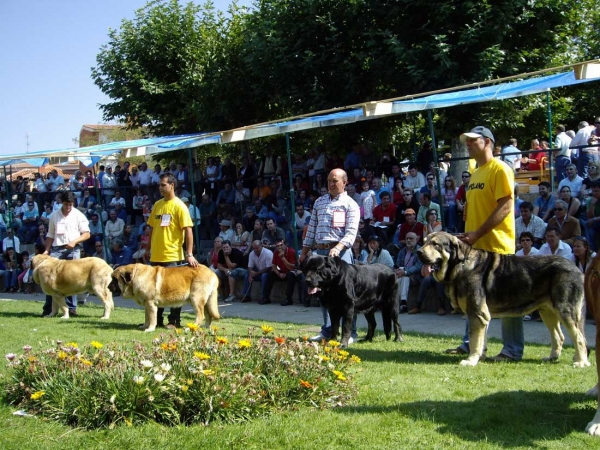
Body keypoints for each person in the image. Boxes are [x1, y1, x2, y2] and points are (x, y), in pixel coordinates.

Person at [445, 126, 516, 364]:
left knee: (508, 297)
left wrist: (477, 233)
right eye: (466, 141)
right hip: (474, 246)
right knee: (471, 296)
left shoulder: (500, 168)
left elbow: (505, 206)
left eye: (473, 141)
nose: (468, 144)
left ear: (487, 142)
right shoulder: (475, 172)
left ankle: (512, 350)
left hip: (498, 246)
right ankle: (470, 345)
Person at [299, 168, 360, 343]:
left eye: (334, 181)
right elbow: (311, 229)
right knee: (323, 294)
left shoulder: (351, 204)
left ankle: (350, 333)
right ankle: (327, 330)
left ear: (344, 182)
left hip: (341, 253)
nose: (331, 184)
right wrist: (304, 252)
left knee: (347, 295)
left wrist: (339, 247)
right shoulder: (319, 202)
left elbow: (351, 232)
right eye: (329, 181)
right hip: (319, 252)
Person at [145, 173, 199, 329]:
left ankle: (174, 321)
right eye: (159, 185)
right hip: (156, 255)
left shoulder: (180, 206)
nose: (160, 188)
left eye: (163, 185)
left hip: (172, 256)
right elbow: (152, 229)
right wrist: (147, 249)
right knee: (155, 290)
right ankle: (157, 320)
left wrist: (189, 254)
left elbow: (188, 231)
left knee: (174, 290)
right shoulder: (157, 205)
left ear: (172, 185)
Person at [41, 191, 91, 316]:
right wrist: (47, 250)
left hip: (73, 249)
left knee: (71, 279)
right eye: (65, 204)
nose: (68, 207)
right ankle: (48, 309)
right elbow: (50, 235)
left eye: (70, 204)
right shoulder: (54, 215)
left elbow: (87, 234)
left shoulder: (79, 215)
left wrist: (75, 241)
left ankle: (71, 308)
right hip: (57, 249)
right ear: (61, 202)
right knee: (49, 279)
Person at [265, 238, 305, 306]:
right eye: (277, 246)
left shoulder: (291, 251)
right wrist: (279, 273)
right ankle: (266, 297)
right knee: (270, 274)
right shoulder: (276, 252)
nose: (279, 247)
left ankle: (288, 298)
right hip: (282, 272)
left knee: (290, 275)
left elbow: (291, 268)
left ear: (285, 245)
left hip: (293, 272)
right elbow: (274, 266)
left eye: (281, 245)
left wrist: (283, 258)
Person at [395, 232, 423, 313]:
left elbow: (418, 267)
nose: (408, 240)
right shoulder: (403, 251)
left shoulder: (420, 251)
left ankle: (402, 303)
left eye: (411, 238)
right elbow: (398, 264)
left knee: (405, 278)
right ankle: (401, 304)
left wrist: (405, 271)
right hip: (403, 274)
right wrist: (397, 270)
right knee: (399, 279)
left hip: (415, 276)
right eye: (407, 238)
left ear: (416, 239)